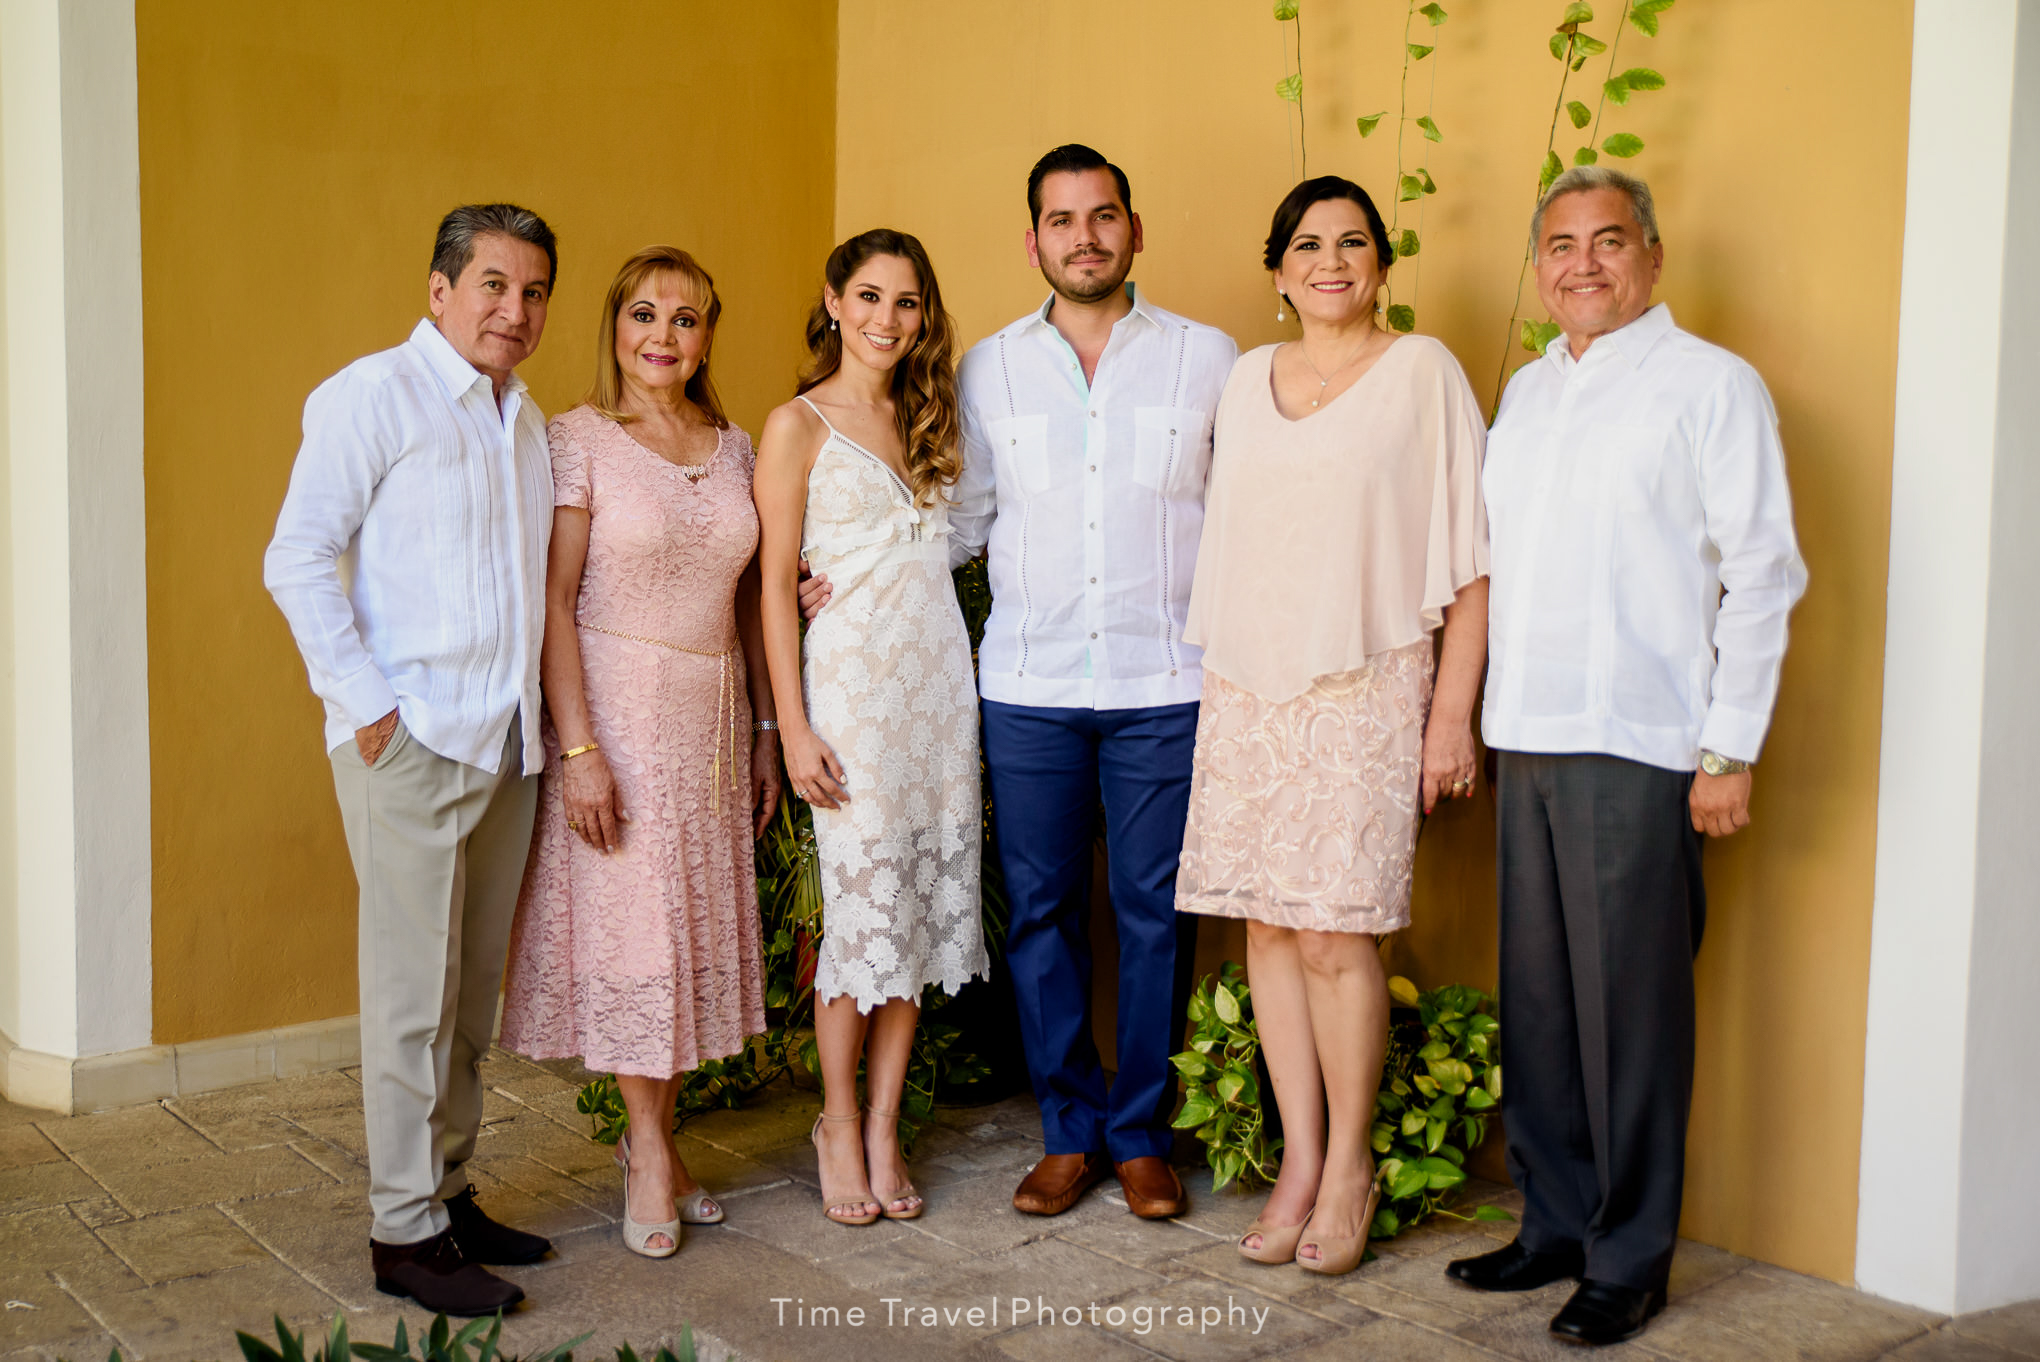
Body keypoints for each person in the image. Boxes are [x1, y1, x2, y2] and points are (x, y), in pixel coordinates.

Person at [806, 145, 1238, 1220]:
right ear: (1033, 240)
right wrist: (844, 574)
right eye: (1060, 220)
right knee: (1041, 916)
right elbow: (953, 522)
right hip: (1030, 690)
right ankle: (1067, 1132)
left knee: (1152, 918)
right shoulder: (987, 371)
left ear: (1134, 229)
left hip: (1164, 682)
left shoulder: (1208, 358)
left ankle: (1141, 1137)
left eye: (1101, 217)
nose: (1082, 236)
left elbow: (1240, 518)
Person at [1445, 167, 1806, 1346]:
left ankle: (1631, 1252)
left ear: (1651, 256)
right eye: (1559, 244)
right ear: (1539, 264)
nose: (1582, 263)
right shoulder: (1531, 394)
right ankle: (1554, 1220)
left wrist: (1728, 747)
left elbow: (1763, 573)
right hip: (1529, 737)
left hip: (1643, 741)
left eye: (1608, 241)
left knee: (1631, 1015)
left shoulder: (1712, 388)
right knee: (1542, 1004)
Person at [1177, 176, 1489, 1275]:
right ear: (1278, 270)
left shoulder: (1424, 373)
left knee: (1334, 934)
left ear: (1381, 265)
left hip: (1366, 685)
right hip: (1249, 685)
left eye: (1353, 242)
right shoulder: (1246, 378)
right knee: (1264, 928)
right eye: (1308, 244)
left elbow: (1473, 556)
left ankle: (1350, 1165)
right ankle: (1298, 1162)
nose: (1331, 260)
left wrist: (1451, 717)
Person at [265, 204, 561, 1316]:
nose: (514, 310)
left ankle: (446, 1190)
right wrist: (372, 709)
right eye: (492, 285)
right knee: (408, 1002)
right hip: (413, 743)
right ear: (441, 290)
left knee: (467, 1000)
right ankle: (402, 1233)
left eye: (533, 291)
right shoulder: (370, 398)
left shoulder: (525, 420)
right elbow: (296, 558)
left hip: (505, 745)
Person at [498, 246, 779, 1259]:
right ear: (614, 325)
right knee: (638, 940)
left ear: (709, 334)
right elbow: (554, 605)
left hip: (711, 714)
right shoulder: (576, 440)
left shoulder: (736, 444)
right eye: (644, 315)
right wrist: (578, 750)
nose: (663, 336)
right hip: (615, 708)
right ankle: (651, 1151)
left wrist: (761, 734)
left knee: (684, 940)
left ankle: (655, 1142)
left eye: (687, 318)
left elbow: (754, 597)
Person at [756, 228, 988, 1227]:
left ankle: (887, 1124)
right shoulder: (797, 424)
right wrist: (793, 729)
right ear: (834, 302)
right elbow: (772, 586)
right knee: (862, 924)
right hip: (849, 704)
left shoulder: (934, 418)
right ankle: (838, 1124)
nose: (888, 319)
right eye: (870, 296)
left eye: (907, 302)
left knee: (921, 926)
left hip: (940, 703)